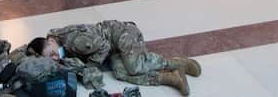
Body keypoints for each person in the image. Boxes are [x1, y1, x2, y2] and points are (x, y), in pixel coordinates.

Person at [30, 21, 198, 94]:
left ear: (51, 41)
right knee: (119, 72)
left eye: (52, 52)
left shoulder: (73, 41)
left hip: (121, 34)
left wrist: (91, 66)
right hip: (112, 51)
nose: (54, 57)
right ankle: (169, 78)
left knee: (133, 66)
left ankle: (175, 62)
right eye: (50, 58)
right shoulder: (60, 47)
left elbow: (104, 45)